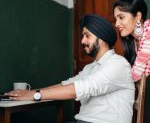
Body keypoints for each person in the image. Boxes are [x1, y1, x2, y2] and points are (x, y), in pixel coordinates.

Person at [6, 14, 135, 123]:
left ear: (101, 38)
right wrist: (31, 92)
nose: (82, 41)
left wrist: (35, 95)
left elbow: (80, 89)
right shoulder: (91, 67)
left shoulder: (118, 64)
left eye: (87, 36)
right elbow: (66, 85)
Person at [113, 0, 150, 82]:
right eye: (116, 19)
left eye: (121, 17)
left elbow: (135, 75)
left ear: (138, 17)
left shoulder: (148, 32)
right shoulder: (135, 40)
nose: (116, 24)